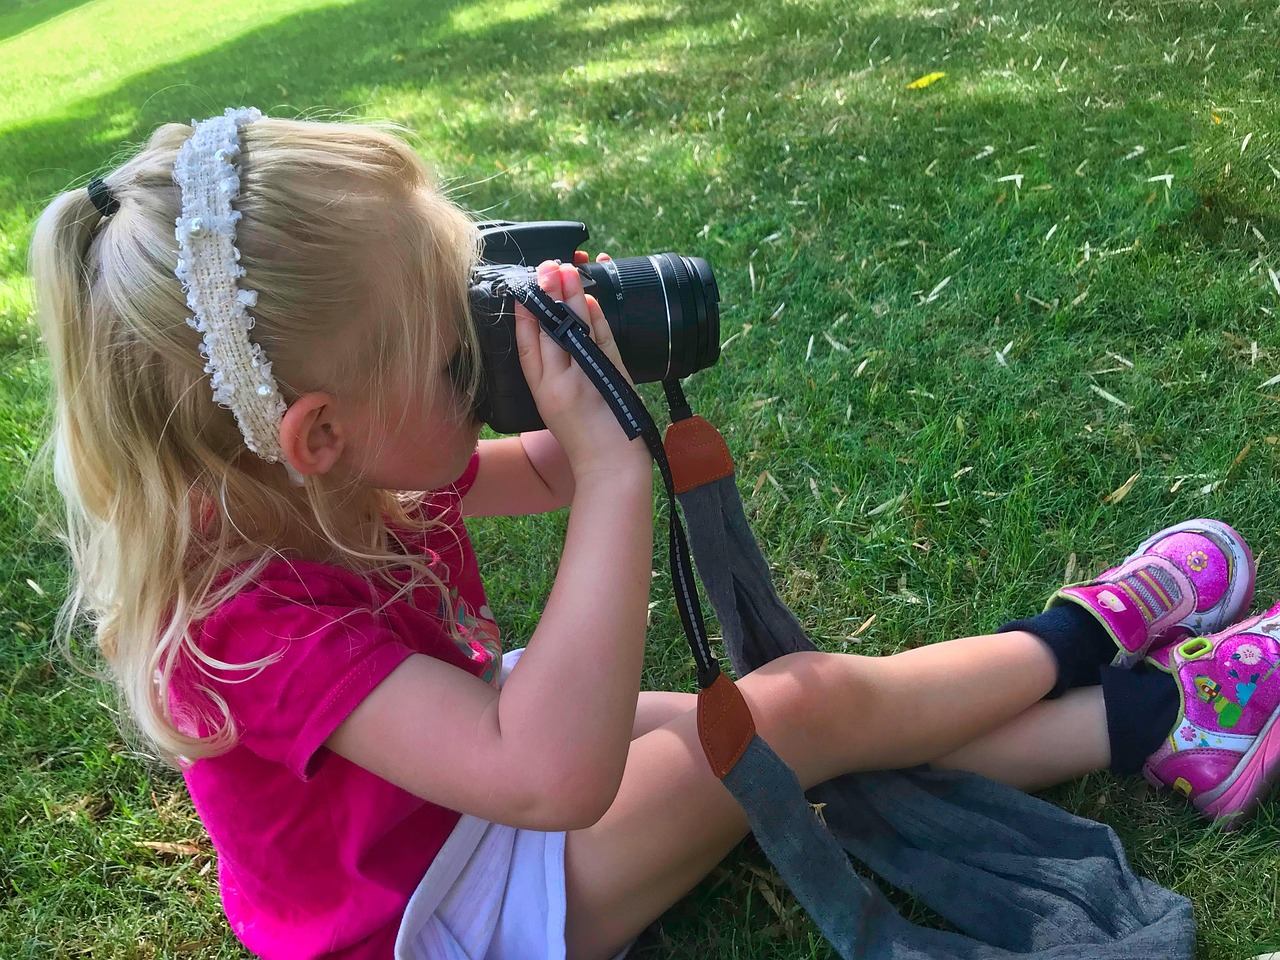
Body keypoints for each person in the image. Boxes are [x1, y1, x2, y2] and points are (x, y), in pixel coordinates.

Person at [29, 108, 1280, 960]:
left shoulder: (336, 473)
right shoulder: (240, 625)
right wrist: (617, 474)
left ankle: (1165, 729)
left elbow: (535, 474)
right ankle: (1090, 639)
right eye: (455, 347)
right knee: (782, 718)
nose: (479, 360)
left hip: (469, 793)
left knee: (779, 742)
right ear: (319, 433)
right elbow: (549, 775)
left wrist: (592, 385)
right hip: (432, 915)